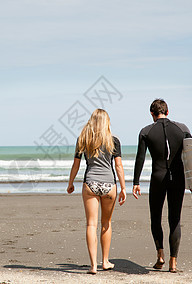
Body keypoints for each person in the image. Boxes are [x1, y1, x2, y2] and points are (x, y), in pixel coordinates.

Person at [132, 99, 192, 273]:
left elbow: (140, 158)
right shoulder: (183, 129)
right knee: (174, 219)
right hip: (178, 179)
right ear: (168, 112)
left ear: (152, 114)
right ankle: (173, 262)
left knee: (156, 217)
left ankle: (160, 255)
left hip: (158, 178)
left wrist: (136, 182)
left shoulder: (146, 131)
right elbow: (191, 157)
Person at [67, 108, 127, 275]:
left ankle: (93, 265)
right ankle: (105, 261)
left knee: (91, 224)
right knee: (106, 223)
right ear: (107, 122)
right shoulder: (113, 140)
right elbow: (119, 166)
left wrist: (70, 183)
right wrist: (123, 188)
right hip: (109, 185)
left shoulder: (83, 139)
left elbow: (76, 165)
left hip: (90, 184)